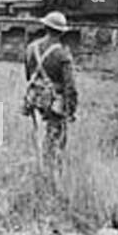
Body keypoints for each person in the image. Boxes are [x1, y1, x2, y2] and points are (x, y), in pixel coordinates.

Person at [22, 12, 78, 161]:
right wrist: (70, 110)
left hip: (34, 99)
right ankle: (51, 174)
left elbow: (28, 76)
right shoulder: (62, 54)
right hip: (54, 104)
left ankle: (39, 165)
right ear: (61, 32)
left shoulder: (30, 48)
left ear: (45, 27)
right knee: (56, 143)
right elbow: (70, 86)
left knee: (38, 138)